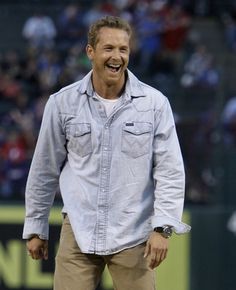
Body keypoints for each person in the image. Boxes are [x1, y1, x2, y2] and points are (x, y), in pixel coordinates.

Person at [23, 15, 191, 290]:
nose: (117, 57)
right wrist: (35, 228)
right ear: (90, 52)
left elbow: (170, 170)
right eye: (109, 49)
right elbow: (44, 169)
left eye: (123, 49)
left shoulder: (155, 104)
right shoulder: (62, 103)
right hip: (78, 229)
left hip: (134, 234)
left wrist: (163, 228)